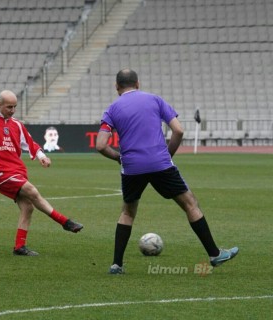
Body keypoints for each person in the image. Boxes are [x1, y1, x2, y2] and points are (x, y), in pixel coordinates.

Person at [95, 69, 238, 274]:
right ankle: (215, 254)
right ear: (137, 83)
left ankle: (117, 264)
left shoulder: (112, 109)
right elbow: (178, 130)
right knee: (190, 203)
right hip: (160, 163)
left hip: (132, 167)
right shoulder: (155, 100)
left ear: (117, 87)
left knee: (127, 212)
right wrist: (167, 154)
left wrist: (119, 158)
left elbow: (101, 145)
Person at [0, 90, 83, 256]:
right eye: (9, 107)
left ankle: (19, 247)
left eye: (14, 107)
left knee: (27, 207)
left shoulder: (17, 124)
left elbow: (30, 143)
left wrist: (42, 156)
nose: (12, 110)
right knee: (32, 191)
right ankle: (64, 221)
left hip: (16, 169)